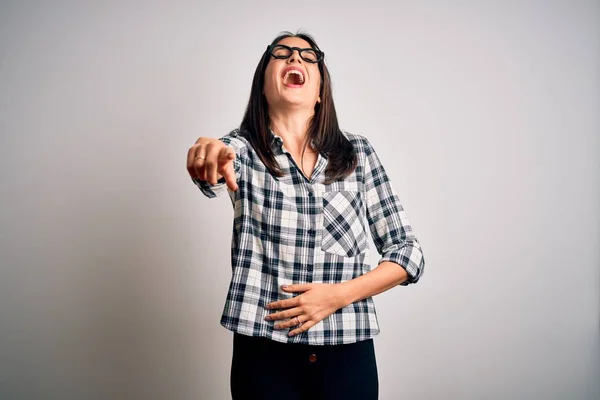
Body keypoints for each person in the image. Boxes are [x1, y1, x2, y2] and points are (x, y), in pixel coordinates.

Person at [186, 31, 425, 400]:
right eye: (281, 54)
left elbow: (408, 254)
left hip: (347, 352)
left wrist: (337, 296)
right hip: (263, 353)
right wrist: (208, 155)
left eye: (307, 56)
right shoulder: (244, 150)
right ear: (263, 86)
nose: (295, 58)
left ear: (319, 92)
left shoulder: (357, 153)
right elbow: (217, 165)